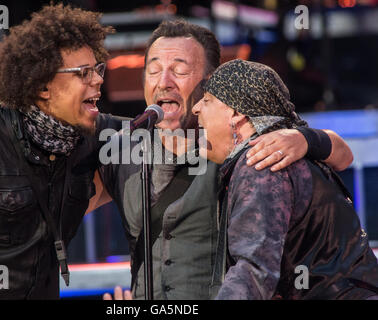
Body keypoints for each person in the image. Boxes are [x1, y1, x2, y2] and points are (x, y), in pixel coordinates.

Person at [100, 20, 354, 300]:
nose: (164, 82)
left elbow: (343, 154)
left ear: (211, 83)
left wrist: (304, 138)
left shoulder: (245, 149)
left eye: (180, 70)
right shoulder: (125, 147)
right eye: (154, 70)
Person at [0, 4, 120, 299]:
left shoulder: (87, 135)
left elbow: (157, 135)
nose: (97, 80)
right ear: (43, 85)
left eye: (97, 69)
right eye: (83, 72)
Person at [192, 59, 378, 299]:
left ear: (236, 113)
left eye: (207, 100)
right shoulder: (287, 150)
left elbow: (253, 271)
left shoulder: (261, 163)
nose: (196, 108)